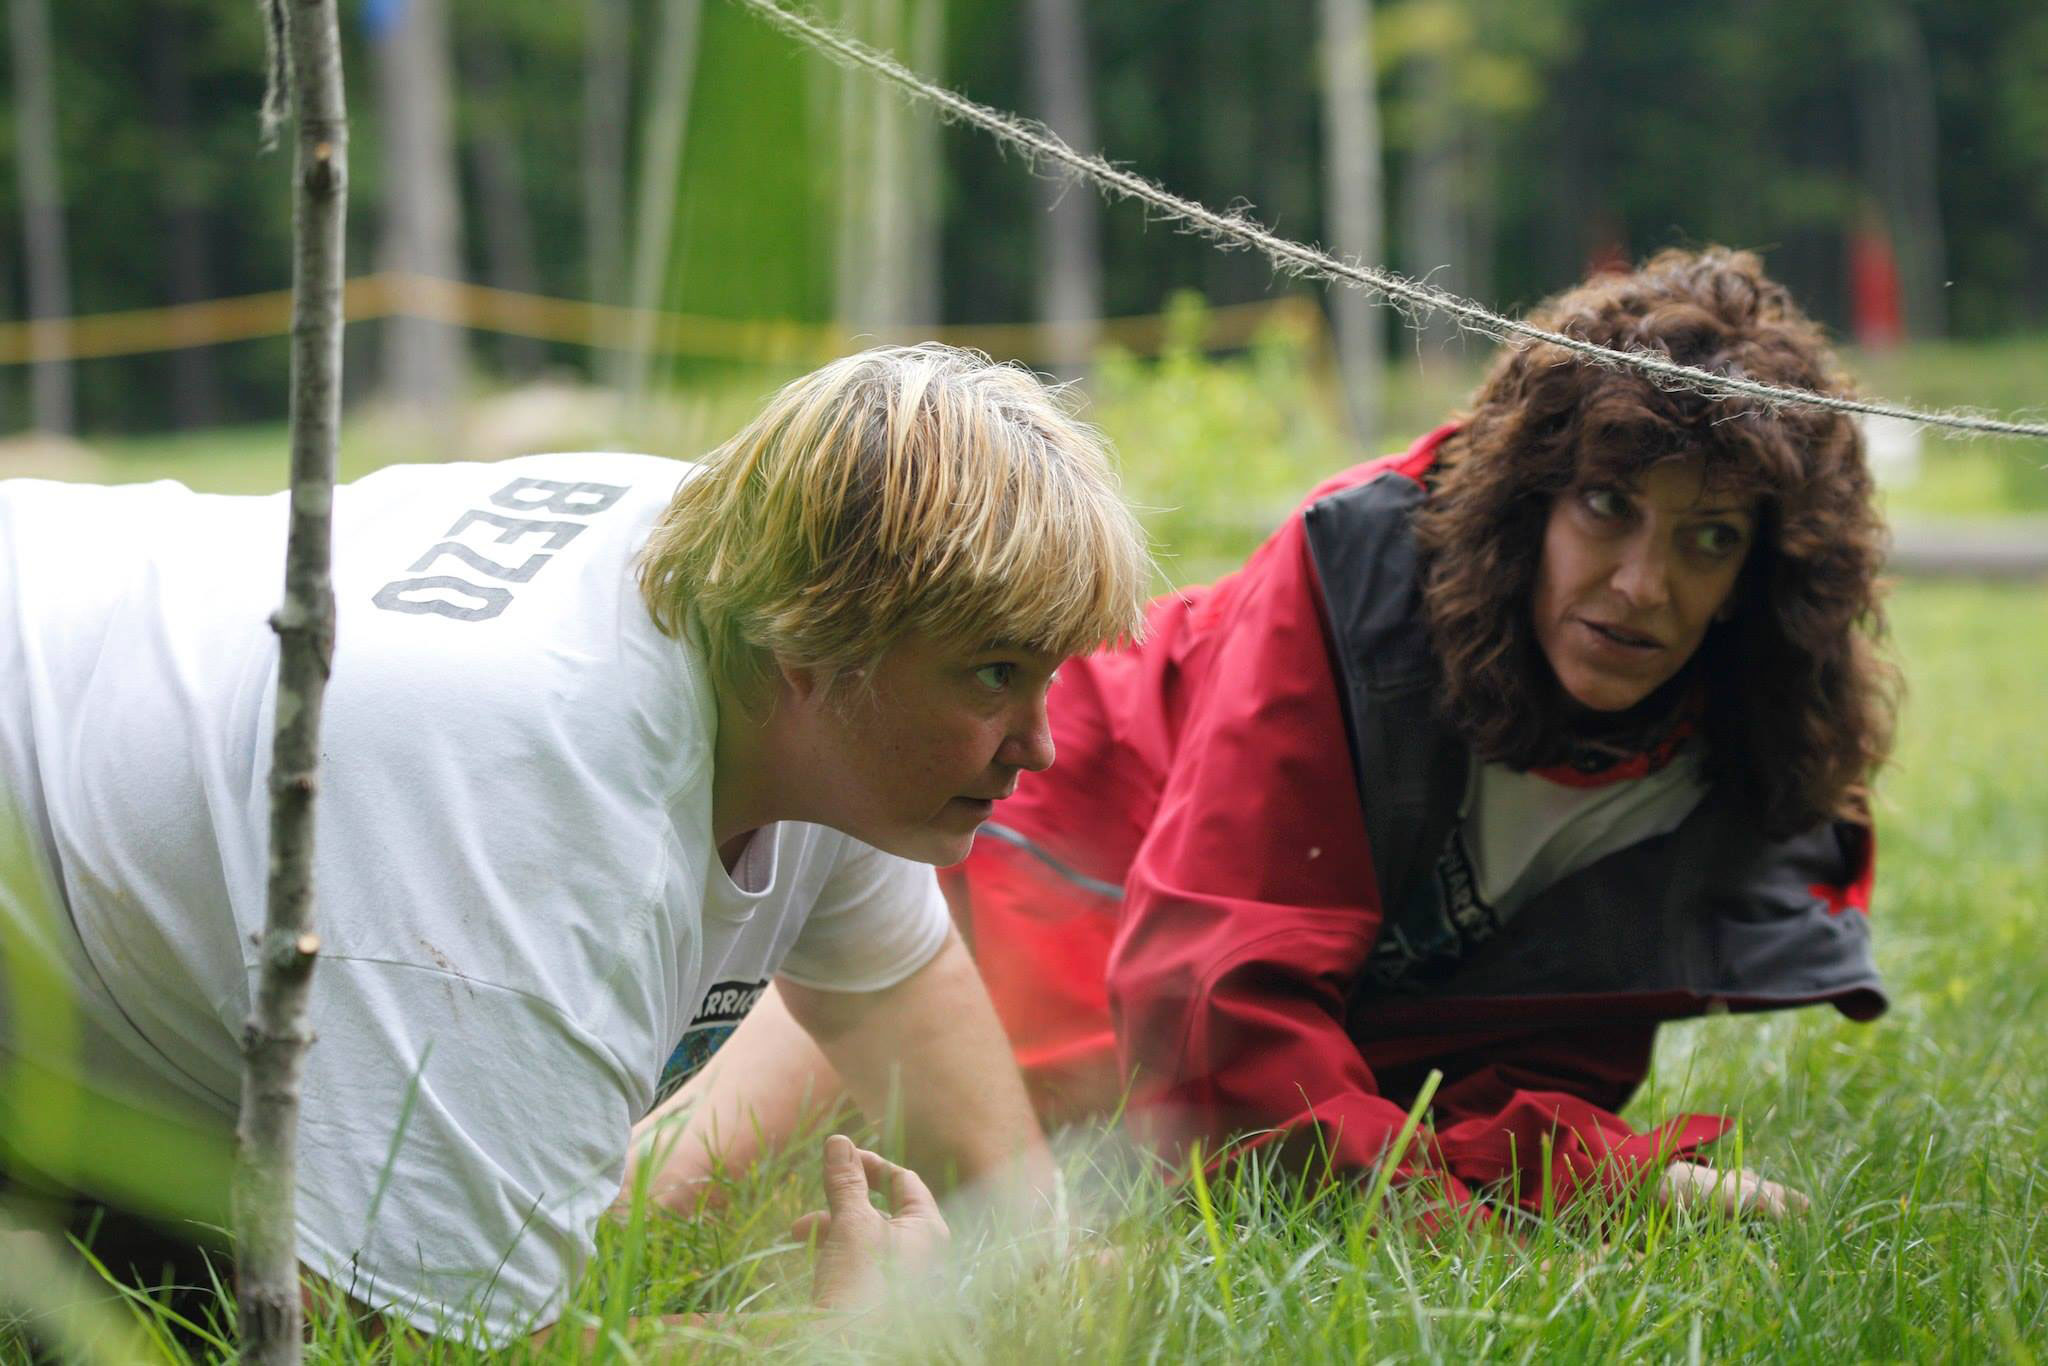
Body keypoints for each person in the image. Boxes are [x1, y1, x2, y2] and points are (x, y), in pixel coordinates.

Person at [656, 249, 1897, 1226]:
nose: (1638, 585)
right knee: (690, 1180)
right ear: (1531, 499)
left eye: (1707, 537)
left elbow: (1507, 1082)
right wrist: (1464, 1223)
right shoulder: (1356, 581)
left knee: (1087, 1178)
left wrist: (1587, 1177)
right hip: (1042, 818)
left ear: (1764, 575)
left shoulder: (1719, 762)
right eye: (1606, 506)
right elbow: (1216, 1025)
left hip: (1212, 1006)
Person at [0, 343, 1149, 1341]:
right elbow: (408, 1342)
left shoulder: (783, 646)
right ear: (814, 648)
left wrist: (1032, 1257)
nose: (1040, 744)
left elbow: (889, 986)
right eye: (996, 675)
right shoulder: (524, 825)